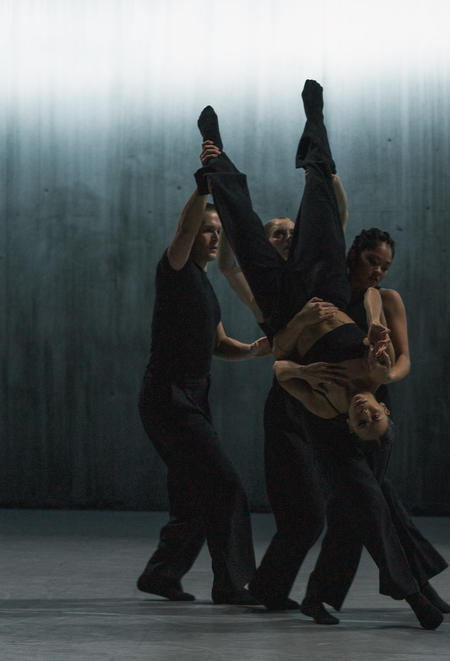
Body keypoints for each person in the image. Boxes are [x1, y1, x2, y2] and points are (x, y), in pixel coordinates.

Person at [196, 79, 443, 629]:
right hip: (324, 290)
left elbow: (283, 367)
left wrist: (302, 362)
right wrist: (375, 331)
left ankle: (215, 157)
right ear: (376, 407)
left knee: (238, 214)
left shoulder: (328, 406)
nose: (363, 410)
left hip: (286, 310)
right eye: (370, 411)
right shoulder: (371, 369)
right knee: (321, 197)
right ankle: (316, 130)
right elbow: (339, 227)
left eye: (362, 416)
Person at [302, 228, 450, 619]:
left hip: (375, 417)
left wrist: (386, 378)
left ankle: (319, 595)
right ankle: (414, 592)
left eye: (385, 266)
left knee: (361, 506)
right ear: (354, 255)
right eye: (373, 261)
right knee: (367, 503)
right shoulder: (326, 300)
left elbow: (404, 360)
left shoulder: (387, 300)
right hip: (330, 418)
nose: (378, 272)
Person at [136, 186, 271, 605]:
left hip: (194, 396)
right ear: (192, 234)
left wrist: (252, 350)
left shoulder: (204, 285)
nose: (214, 238)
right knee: (225, 485)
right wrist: (202, 188)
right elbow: (182, 228)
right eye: (207, 230)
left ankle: (161, 574)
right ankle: (231, 583)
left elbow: (217, 343)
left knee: (195, 494)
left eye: (218, 232)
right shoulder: (174, 269)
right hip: (168, 396)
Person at [213, 190, 344, 612]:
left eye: (292, 232)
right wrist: (230, 210)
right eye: (278, 234)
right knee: (306, 513)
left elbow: (337, 219)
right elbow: (229, 264)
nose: (288, 238)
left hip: (329, 400)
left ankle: (269, 587)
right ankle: (268, 587)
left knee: (334, 508)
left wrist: (328, 171)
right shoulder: (264, 290)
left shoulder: (318, 276)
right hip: (290, 400)